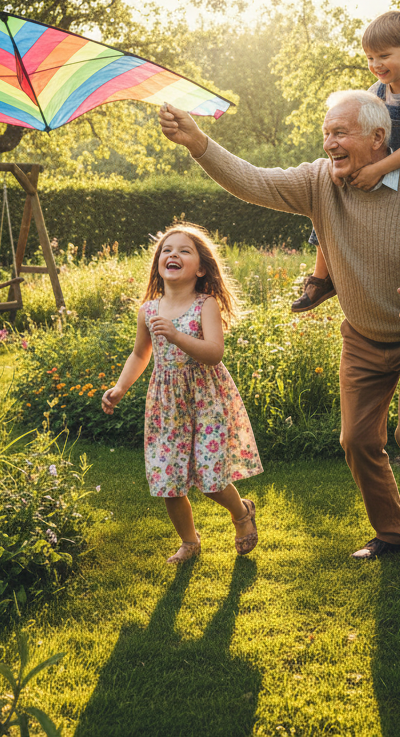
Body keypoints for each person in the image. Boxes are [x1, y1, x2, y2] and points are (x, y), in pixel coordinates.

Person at [159, 93, 400, 585]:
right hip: (364, 336)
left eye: (340, 133)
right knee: (358, 440)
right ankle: (392, 532)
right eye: (326, 132)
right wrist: (198, 143)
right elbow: (255, 181)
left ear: (378, 138)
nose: (330, 142)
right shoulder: (321, 181)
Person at [101, 222, 263, 564]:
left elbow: (214, 352)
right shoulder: (148, 310)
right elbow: (140, 354)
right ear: (159, 263)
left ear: (201, 268)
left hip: (205, 401)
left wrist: (176, 336)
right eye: (166, 250)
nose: (172, 254)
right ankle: (189, 541)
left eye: (183, 250)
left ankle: (241, 512)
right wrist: (119, 387)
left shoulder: (206, 304)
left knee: (211, 479)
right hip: (166, 405)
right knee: (168, 480)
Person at [292, 10, 400, 313]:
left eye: (383, 55)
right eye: (369, 58)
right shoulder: (375, 92)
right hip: (393, 157)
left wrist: (378, 169)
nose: (375, 65)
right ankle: (322, 274)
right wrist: (346, 164)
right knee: (332, 183)